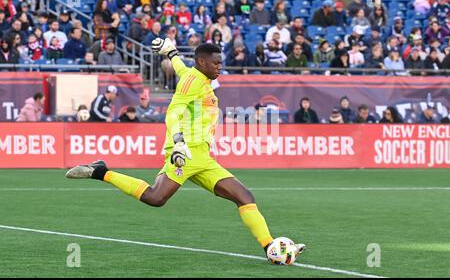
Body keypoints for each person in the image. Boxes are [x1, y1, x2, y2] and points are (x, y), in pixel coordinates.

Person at [65, 40, 306, 263]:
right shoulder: (193, 82)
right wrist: (178, 142)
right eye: (215, 63)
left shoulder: (195, 76)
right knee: (155, 198)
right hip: (185, 152)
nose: (220, 66)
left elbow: (182, 69)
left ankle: (269, 247)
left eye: (220, 62)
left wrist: (172, 54)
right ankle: (101, 172)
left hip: (204, 157)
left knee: (244, 197)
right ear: (202, 62)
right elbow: (173, 112)